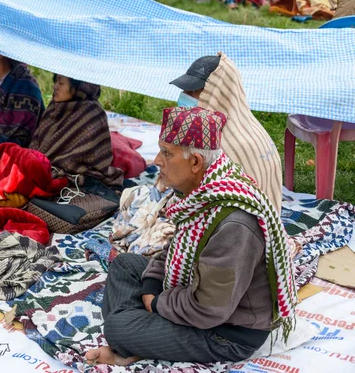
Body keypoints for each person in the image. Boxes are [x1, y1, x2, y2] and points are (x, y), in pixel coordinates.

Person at [85, 107, 297, 366]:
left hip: (226, 332)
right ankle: (139, 337)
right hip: (198, 294)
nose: (156, 161)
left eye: (166, 153)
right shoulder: (204, 191)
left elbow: (208, 308)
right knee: (125, 265)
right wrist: (153, 285)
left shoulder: (234, 224)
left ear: (196, 162)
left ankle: (131, 338)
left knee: (118, 327)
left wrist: (157, 303)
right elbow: (177, 250)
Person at [169, 53, 283, 213]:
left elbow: (195, 201)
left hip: (239, 227)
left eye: (193, 91)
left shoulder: (216, 146)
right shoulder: (246, 123)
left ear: (216, 92)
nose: (184, 97)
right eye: (184, 90)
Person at [29, 74, 123, 187]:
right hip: (42, 165)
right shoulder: (55, 107)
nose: (55, 86)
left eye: (61, 83)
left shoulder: (92, 114)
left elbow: (81, 157)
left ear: (78, 89)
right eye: (56, 81)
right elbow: (38, 142)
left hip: (68, 172)